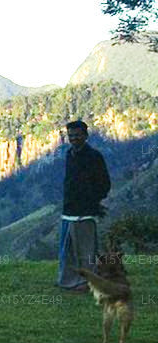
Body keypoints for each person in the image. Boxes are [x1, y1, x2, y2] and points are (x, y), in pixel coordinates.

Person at [57, 120, 111, 291]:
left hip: (85, 212)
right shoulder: (69, 154)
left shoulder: (94, 156)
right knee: (68, 250)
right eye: (71, 135)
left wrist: (92, 202)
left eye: (77, 135)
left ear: (86, 136)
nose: (74, 139)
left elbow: (104, 184)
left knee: (86, 250)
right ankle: (69, 280)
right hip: (69, 210)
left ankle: (88, 282)